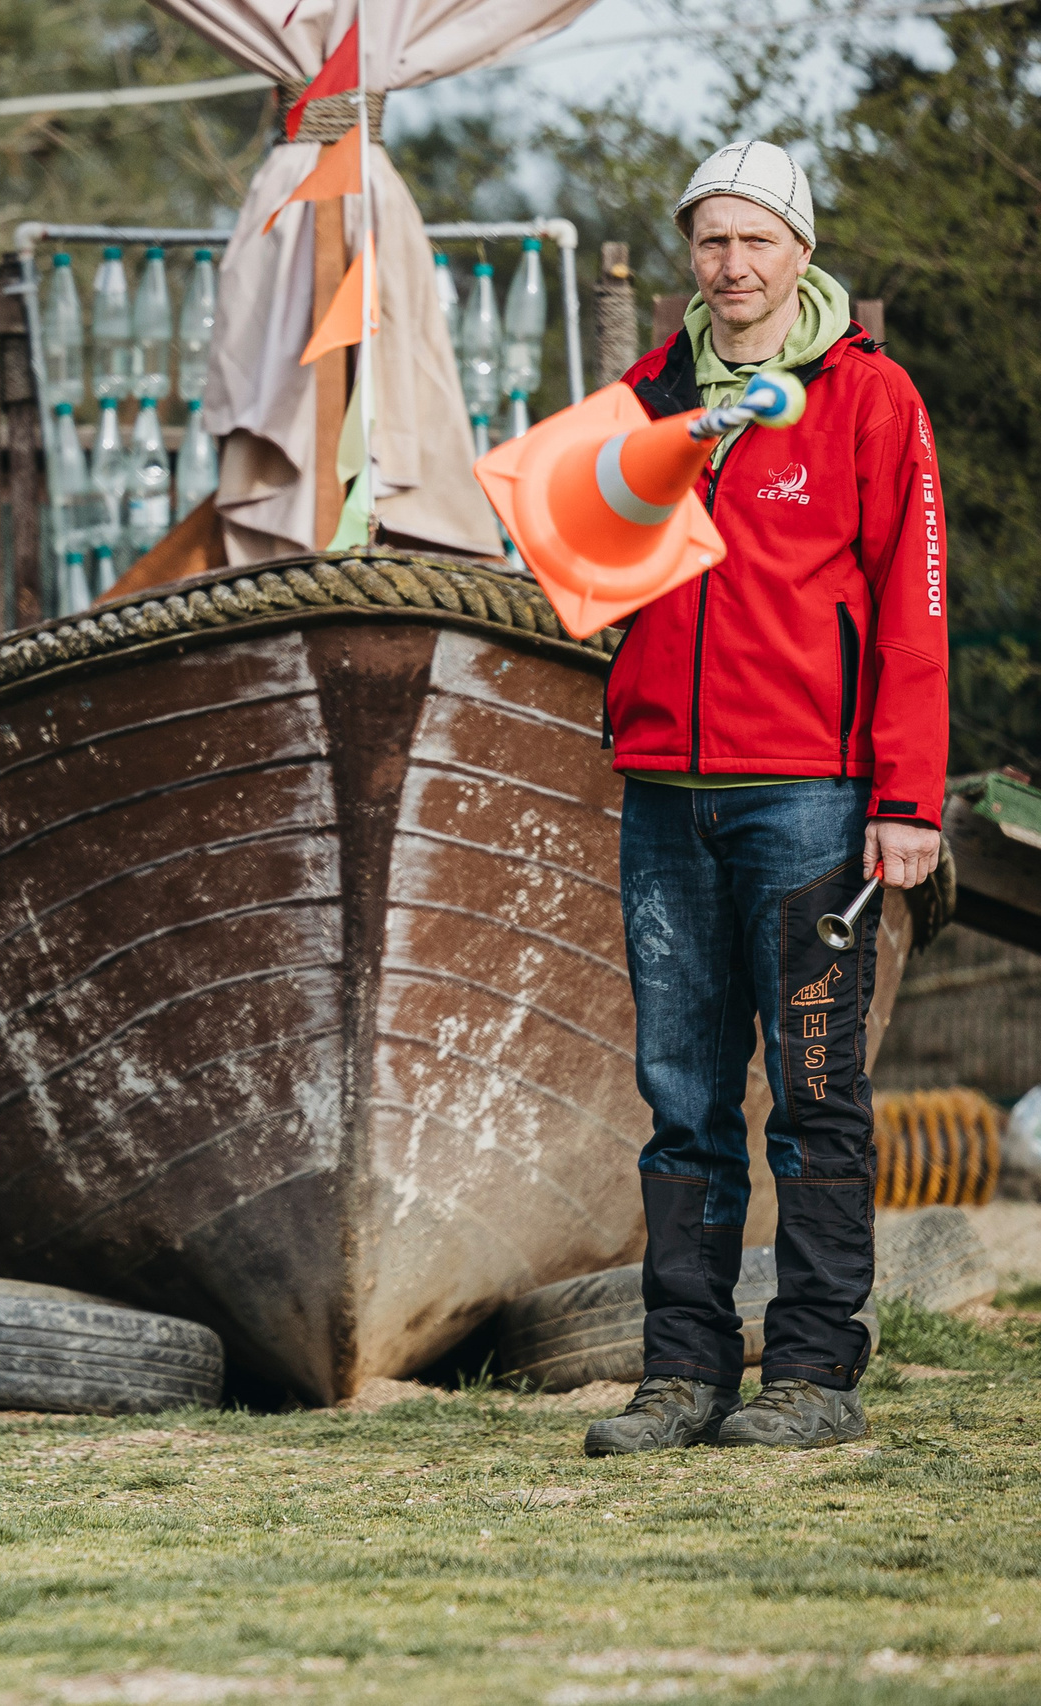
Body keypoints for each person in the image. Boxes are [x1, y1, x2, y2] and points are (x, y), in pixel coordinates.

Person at [586, 141, 946, 1456]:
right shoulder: (645, 394)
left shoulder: (867, 397)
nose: (730, 266)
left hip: (805, 794)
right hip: (663, 797)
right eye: (710, 241)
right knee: (680, 1091)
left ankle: (812, 1372)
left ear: (801, 248)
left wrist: (906, 797)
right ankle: (681, 1373)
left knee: (811, 1088)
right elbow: (588, 564)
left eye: (755, 240)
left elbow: (914, 611)